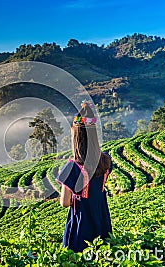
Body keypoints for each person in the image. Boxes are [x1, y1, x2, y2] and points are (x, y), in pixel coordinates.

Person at [56, 101, 112, 253]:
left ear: (76, 138)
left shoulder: (72, 167)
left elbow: (65, 203)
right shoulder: (106, 160)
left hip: (82, 222)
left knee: (79, 256)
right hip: (101, 218)